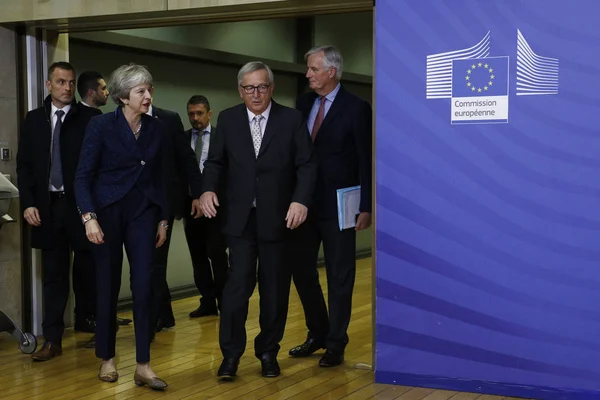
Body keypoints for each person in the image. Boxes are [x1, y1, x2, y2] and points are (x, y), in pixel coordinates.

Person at [199, 61, 317, 381]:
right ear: (240, 90)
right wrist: (207, 190)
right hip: (239, 220)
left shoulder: (290, 120)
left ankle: (268, 351)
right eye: (249, 88)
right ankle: (231, 356)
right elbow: (216, 163)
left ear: (271, 88)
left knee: (274, 289)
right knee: (237, 288)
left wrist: (300, 200)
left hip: (279, 219)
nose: (256, 93)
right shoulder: (228, 119)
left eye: (262, 87)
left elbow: (307, 165)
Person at [74, 63, 169, 389]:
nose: (148, 96)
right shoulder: (101, 126)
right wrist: (89, 217)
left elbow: (161, 178)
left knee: (144, 285)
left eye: (149, 89)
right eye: (141, 90)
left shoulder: (156, 128)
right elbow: (83, 176)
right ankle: (107, 358)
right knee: (107, 286)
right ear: (123, 96)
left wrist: (163, 219)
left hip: (143, 212)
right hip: (107, 213)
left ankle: (143, 365)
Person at [287, 45, 373, 367]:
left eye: (313, 69)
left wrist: (366, 205)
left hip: (340, 206)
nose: (307, 74)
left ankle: (336, 342)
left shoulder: (357, 108)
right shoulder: (303, 102)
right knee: (301, 270)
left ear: (331, 72)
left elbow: (365, 158)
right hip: (303, 205)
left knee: (340, 276)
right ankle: (318, 332)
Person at [16, 61, 101, 361]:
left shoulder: (90, 118)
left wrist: (93, 209)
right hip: (47, 209)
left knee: (90, 270)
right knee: (53, 276)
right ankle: (52, 340)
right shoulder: (34, 119)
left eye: (70, 82)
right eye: (61, 82)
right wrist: (27, 203)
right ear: (49, 85)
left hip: (81, 210)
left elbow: (100, 167)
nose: (67, 88)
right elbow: (24, 166)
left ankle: (99, 330)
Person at [147, 101, 203, 334]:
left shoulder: (168, 118)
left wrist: (198, 194)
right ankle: (164, 314)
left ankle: (153, 321)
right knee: (147, 262)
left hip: (164, 203)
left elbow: (186, 158)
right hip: (136, 203)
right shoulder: (121, 119)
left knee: (156, 261)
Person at [185, 95, 229, 318]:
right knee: (198, 255)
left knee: (217, 253)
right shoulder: (183, 139)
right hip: (192, 208)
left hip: (217, 207)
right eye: (191, 114)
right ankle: (207, 301)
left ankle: (225, 300)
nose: (195, 118)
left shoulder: (222, 136)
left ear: (209, 114)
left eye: (199, 113)